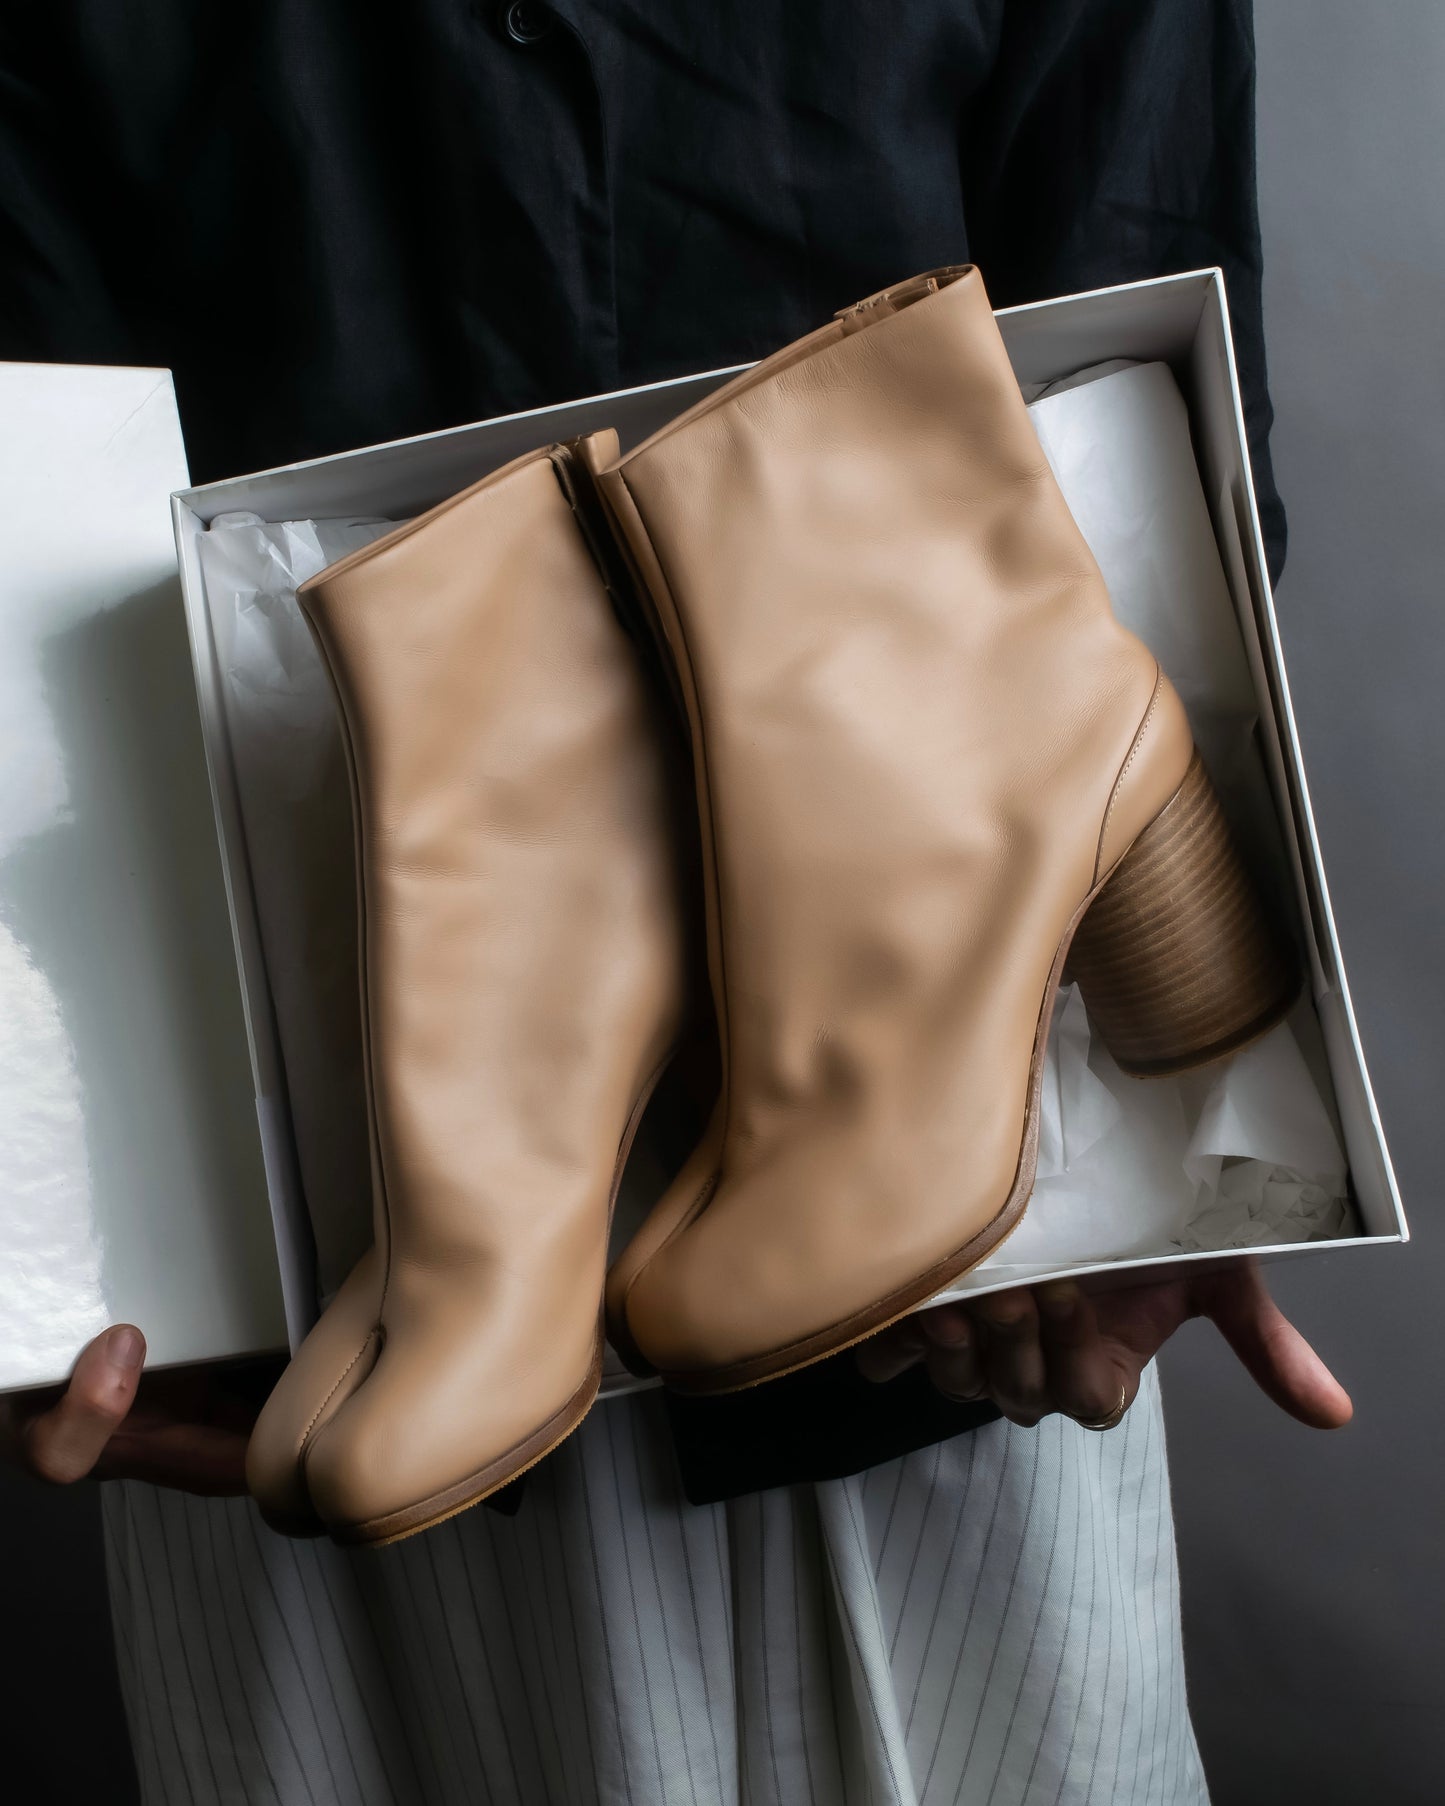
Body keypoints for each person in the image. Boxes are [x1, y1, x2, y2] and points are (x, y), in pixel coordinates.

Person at [0, 3, 1351, 1801]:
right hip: (302, 1185)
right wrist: (81, 1239)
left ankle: (1016, 872)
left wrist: (1152, 1169)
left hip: (942, 1274)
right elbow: (26, 527)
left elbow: (1132, 327)